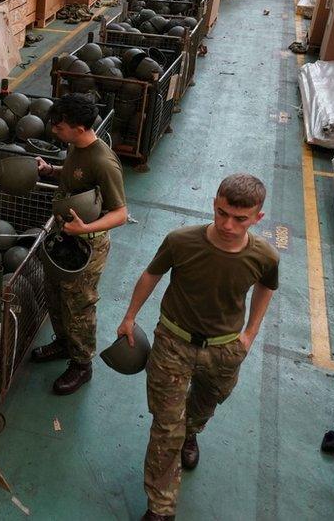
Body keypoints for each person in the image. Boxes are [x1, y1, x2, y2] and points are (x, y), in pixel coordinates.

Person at [117, 174, 278, 521]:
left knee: (204, 406)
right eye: (221, 213)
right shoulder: (181, 241)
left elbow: (267, 287)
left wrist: (250, 333)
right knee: (165, 427)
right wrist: (130, 316)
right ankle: (160, 508)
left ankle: (193, 433)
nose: (227, 225)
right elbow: (151, 274)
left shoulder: (265, 256)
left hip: (224, 352)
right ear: (214, 203)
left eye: (240, 218)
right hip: (173, 343)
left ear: (257, 218)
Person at [31, 93, 128, 394]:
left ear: (80, 128)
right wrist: (52, 170)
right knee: (55, 294)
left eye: (60, 127)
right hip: (68, 235)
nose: (54, 131)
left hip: (88, 245)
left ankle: (81, 364)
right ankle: (63, 344)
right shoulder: (76, 147)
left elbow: (121, 214)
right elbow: (75, 176)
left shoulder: (104, 162)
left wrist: (86, 227)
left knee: (79, 305)